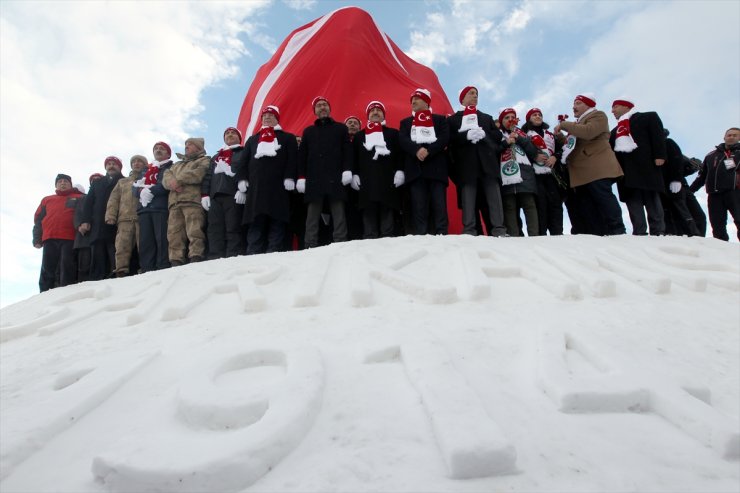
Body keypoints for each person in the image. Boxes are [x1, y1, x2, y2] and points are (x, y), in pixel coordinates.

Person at [555, 94, 626, 235]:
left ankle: (617, 229)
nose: (574, 107)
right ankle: (597, 232)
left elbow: (588, 132)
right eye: (574, 104)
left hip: (597, 167)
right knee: (588, 203)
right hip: (583, 172)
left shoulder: (598, 115)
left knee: (602, 197)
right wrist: (560, 137)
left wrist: (564, 124)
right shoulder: (577, 124)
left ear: (588, 105)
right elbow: (571, 145)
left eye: (578, 103)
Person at [236, 105, 298, 254]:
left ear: (277, 118)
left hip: (279, 187)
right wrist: (241, 180)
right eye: (264, 116)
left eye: (271, 115)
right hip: (256, 188)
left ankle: (273, 253)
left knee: (277, 221)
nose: (267, 117)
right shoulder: (253, 140)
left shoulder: (287, 137)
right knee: (255, 222)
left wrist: (290, 176)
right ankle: (253, 253)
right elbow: (243, 162)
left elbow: (292, 160)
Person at [447, 86, 506, 237]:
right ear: (462, 98)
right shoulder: (453, 119)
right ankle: (469, 230)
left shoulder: (486, 117)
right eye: (471, 93)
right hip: (466, 166)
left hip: (488, 163)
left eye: (476, 94)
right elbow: (450, 140)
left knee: (494, 197)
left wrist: (484, 134)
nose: (475, 96)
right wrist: (465, 136)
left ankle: (499, 229)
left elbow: (497, 136)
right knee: (468, 198)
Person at [297, 96, 354, 248]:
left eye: (324, 105)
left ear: (329, 108)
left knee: (338, 211)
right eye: (318, 106)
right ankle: (310, 244)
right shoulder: (308, 132)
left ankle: (340, 242)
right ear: (315, 111)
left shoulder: (341, 128)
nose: (322, 107)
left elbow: (347, 151)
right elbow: (302, 156)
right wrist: (301, 177)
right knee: (312, 214)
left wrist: (347, 170)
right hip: (314, 178)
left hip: (336, 176)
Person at [609, 98, 667, 235]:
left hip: (646, 167)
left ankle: (658, 231)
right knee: (633, 202)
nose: (612, 111)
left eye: (615, 107)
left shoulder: (648, 117)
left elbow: (657, 137)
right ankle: (639, 231)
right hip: (626, 172)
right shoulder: (614, 131)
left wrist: (660, 156)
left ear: (626, 106)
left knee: (652, 199)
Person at [398, 88, 450, 235]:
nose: (413, 102)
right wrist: (416, 150)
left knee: (439, 204)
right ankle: (421, 234)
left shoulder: (439, 120)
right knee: (418, 205)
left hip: (436, 169)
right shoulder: (406, 123)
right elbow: (403, 140)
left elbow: (444, 138)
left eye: (417, 99)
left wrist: (429, 150)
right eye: (412, 100)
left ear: (426, 102)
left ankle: (442, 233)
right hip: (415, 170)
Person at [351, 100, 404, 238]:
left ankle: (387, 242)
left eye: (378, 110)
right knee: (368, 218)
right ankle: (369, 241)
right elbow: (353, 158)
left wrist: (400, 171)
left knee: (387, 217)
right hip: (366, 182)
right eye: (372, 110)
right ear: (368, 115)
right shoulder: (359, 136)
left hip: (388, 181)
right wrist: (354, 174)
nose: (375, 112)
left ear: (383, 115)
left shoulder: (393, 133)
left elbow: (400, 155)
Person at [163, 138, 210, 264]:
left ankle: (196, 256)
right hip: (174, 203)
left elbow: (199, 173)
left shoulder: (204, 160)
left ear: (199, 147)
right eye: (186, 144)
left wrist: (178, 180)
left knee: (194, 231)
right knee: (173, 233)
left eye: (190, 144)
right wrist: (172, 183)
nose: (186, 146)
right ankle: (175, 259)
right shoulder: (176, 165)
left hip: (192, 201)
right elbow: (166, 176)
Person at [33, 173, 83, 291]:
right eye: (60, 182)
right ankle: (44, 292)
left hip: (70, 238)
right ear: (56, 185)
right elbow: (38, 220)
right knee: (47, 267)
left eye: (66, 182)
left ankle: (65, 291)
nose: (63, 183)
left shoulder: (79, 197)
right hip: (49, 237)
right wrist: (36, 238)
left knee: (67, 266)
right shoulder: (47, 200)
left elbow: (83, 214)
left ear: (70, 185)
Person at [202, 127, 246, 258]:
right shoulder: (216, 156)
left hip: (233, 195)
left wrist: (243, 189)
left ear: (239, 137)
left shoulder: (243, 152)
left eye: (233, 133)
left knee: (233, 227)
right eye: (227, 133)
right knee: (214, 228)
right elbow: (208, 176)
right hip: (215, 197)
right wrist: (204, 194)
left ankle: (233, 254)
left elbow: (246, 170)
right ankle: (215, 256)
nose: (230, 135)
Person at [689, 127, 740, 241]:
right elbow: (702, 177)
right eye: (729, 135)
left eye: (735, 135)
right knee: (717, 224)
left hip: (735, 192)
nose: (731, 137)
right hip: (714, 194)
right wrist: (690, 190)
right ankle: (721, 249)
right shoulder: (711, 155)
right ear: (724, 137)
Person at [522, 107, 567, 235]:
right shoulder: (525, 135)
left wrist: (555, 157)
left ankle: (558, 233)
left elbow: (561, 149)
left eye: (539, 114)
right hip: (535, 175)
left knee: (556, 205)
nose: (538, 116)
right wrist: (534, 156)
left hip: (552, 174)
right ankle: (542, 235)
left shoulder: (550, 135)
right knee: (540, 205)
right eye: (534, 115)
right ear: (529, 119)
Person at [79, 156, 124, 280]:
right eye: (109, 164)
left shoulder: (124, 181)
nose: (111, 166)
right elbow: (88, 203)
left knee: (114, 249)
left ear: (120, 167)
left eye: (114, 164)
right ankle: (97, 278)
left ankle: (115, 274)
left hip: (116, 222)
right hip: (97, 223)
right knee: (97, 250)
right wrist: (85, 221)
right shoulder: (97, 183)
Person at [498, 108, 540, 236]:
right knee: (509, 207)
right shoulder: (497, 134)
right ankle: (514, 237)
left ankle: (535, 236)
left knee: (529, 205)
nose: (510, 120)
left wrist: (519, 138)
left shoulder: (523, 134)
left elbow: (533, 152)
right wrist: (506, 143)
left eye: (512, 117)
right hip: (505, 174)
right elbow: (494, 151)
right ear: (501, 121)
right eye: (506, 118)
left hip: (524, 174)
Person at [105, 155, 147, 277]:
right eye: (134, 162)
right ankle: (121, 270)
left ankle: (145, 267)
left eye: (140, 161)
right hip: (124, 218)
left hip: (141, 217)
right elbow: (113, 199)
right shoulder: (122, 182)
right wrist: (110, 216)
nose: (136, 163)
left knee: (143, 245)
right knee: (122, 246)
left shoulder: (148, 178)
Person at [136, 142, 174, 272]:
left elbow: (165, 184)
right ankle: (147, 268)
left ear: (168, 153)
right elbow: (135, 186)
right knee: (146, 241)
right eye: (156, 148)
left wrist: (151, 191)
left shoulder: (171, 167)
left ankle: (162, 266)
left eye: (162, 149)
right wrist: (141, 192)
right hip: (144, 209)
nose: (158, 150)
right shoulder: (146, 170)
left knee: (161, 238)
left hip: (160, 207)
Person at [661, 130, 701, 236]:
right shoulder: (652, 146)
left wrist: (677, 177)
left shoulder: (668, 143)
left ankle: (699, 239)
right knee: (678, 214)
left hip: (681, 186)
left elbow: (680, 162)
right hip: (667, 186)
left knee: (696, 216)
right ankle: (691, 236)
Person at [73, 173, 103, 283]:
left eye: (98, 179)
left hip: (99, 235)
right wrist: (80, 225)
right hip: (84, 237)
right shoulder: (83, 198)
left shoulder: (105, 195)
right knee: (83, 266)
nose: (95, 181)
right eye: (93, 179)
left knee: (98, 264)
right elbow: (77, 214)